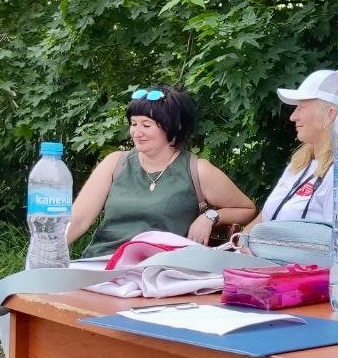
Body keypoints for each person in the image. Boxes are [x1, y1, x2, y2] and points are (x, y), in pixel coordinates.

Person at [68, 85, 257, 257]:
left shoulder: (197, 169)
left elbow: (247, 209)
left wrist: (210, 217)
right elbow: (78, 220)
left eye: (146, 125)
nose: (136, 132)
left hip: (160, 269)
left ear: (173, 127)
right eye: (133, 124)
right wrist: (51, 251)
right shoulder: (115, 163)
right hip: (103, 262)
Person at [244, 69, 338, 230]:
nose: (293, 116)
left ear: (330, 114)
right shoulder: (300, 162)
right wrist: (241, 240)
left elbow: (336, 239)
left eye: (301, 107)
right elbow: (264, 218)